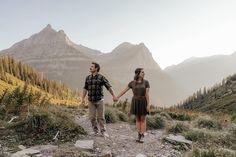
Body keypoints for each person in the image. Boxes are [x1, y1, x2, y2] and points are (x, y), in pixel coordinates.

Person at [114, 68, 150, 143]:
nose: (144, 73)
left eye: (144, 72)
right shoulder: (132, 83)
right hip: (135, 101)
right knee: (137, 119)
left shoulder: (146, 82)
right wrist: (117, 97)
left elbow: (147, 94)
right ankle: (138, 135)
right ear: (138, 73)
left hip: (143, 101)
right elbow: (124, 91)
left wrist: (148, 104)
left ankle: (142, 134)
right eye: (142, 72)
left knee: (143, 119)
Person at [82, 62, 117, 137]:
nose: (90, 68)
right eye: (90, 66)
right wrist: (82, 98)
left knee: (101, 117)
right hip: (90, 100)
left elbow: (109, 87)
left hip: (99, 100)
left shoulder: (101, 77)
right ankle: (95, 131)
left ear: (96, 68)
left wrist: (113, 95)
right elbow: (85, 88)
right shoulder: (88, 78)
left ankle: (103, 131)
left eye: (92, 66)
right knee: (92, 117)